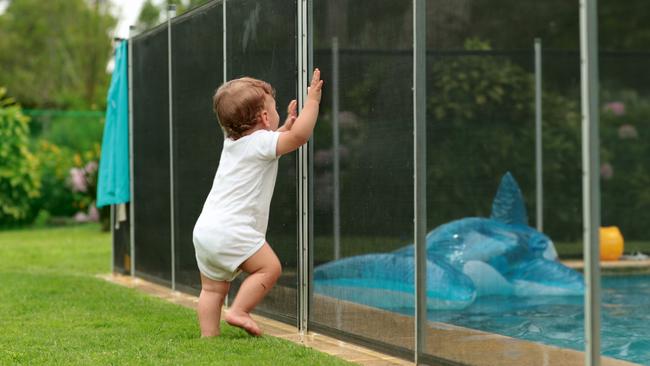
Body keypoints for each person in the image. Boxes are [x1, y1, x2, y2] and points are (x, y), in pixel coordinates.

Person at [192, 69, 323, 337]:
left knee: (212, 289)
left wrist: (283, 126)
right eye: (273, 109)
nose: (275, 113)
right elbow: (299, 137)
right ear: (264, 118)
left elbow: (269, 141)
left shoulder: (232, 143)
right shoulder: (262, 143)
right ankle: (239, 310)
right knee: (270, 268)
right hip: (232, 230)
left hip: (205, 231)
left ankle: (208, 338)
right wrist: (313, 102)